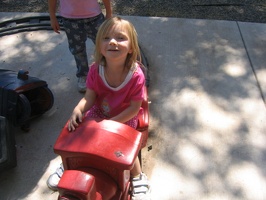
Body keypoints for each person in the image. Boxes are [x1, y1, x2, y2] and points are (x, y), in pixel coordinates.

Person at [47, 16, 151, 200]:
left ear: (132, 48)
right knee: (80, 132)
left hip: (124, 116)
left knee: (124, 146)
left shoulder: (136, 75)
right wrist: (78, 109)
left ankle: (137, 176)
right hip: (99, 112)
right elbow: (89, 97)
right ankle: (67, 163)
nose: (112, 42)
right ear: (99, 45)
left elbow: (135, 108)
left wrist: (110, 124)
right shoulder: (96, 70)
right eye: (106, 38)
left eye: (120, 38)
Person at [48, 0, 112, 92]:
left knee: (104, 46)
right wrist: (52, 17)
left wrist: (109, 12)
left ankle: (108, 71)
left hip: (94, 17)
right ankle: (83, 75)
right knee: (78, 50)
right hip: (70, 18)